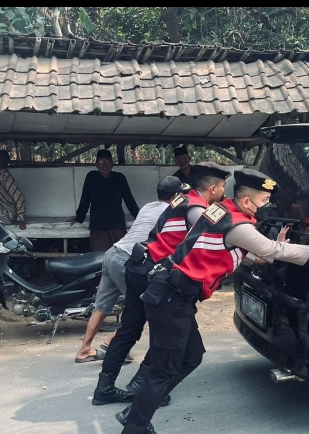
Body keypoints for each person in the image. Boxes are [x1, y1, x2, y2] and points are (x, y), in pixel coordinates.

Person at [109, 168, 309, 434]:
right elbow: (268, 249)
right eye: (265, 199)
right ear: (249, 202)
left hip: (174, 295)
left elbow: (249, 253)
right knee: (163, 369)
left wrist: (274, 247)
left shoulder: (221, 211)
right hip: (170, 299)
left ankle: (135, 413)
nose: (268, 204)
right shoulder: (238, 225)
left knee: (191, 356)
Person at [91, 162, 230, 407]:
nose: (223, 192)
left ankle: (105, 387)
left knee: (130, 328)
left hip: (137, 264)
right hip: (152, 272)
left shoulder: (179, 200)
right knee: (167, 332)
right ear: (214, 188)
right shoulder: (196, 206)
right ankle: (140, 389)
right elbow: (213, 231)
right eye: (222, 187)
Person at [74, 176, 191, 363]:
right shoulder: (172, 212)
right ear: (177, 195)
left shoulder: (148, 206)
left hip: (113, 253)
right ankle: (109, 342)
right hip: (128, 260)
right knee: (141, 307)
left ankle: (84, 350)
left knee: (102, 306)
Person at [69, 149, 141, 251]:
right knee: (100, 258)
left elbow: (129, 200)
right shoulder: (91, 177)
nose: (104, 165)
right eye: (101, 161)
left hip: (117, 225)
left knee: (120, 255)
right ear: (96, 164)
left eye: (107, 161)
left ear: (112, 164)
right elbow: (85, 198)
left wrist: (139, 216)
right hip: (98, 226)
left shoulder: (119, 178)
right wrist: (79, 217)